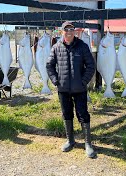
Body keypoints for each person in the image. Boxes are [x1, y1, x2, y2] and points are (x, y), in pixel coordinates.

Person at [46, 21, 96, 158]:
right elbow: (49, 66)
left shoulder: (83, 46)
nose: (69, 32)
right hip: (63, 89)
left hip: (79, 89)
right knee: (66, 114)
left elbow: (91, 66)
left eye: (71, 30)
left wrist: (83, 81)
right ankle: (70, 140)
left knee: (83, 115)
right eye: (66, 30)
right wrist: (56, 81)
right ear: (62, 32)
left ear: (74, 31)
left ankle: (88, 144)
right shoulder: (56, 47)